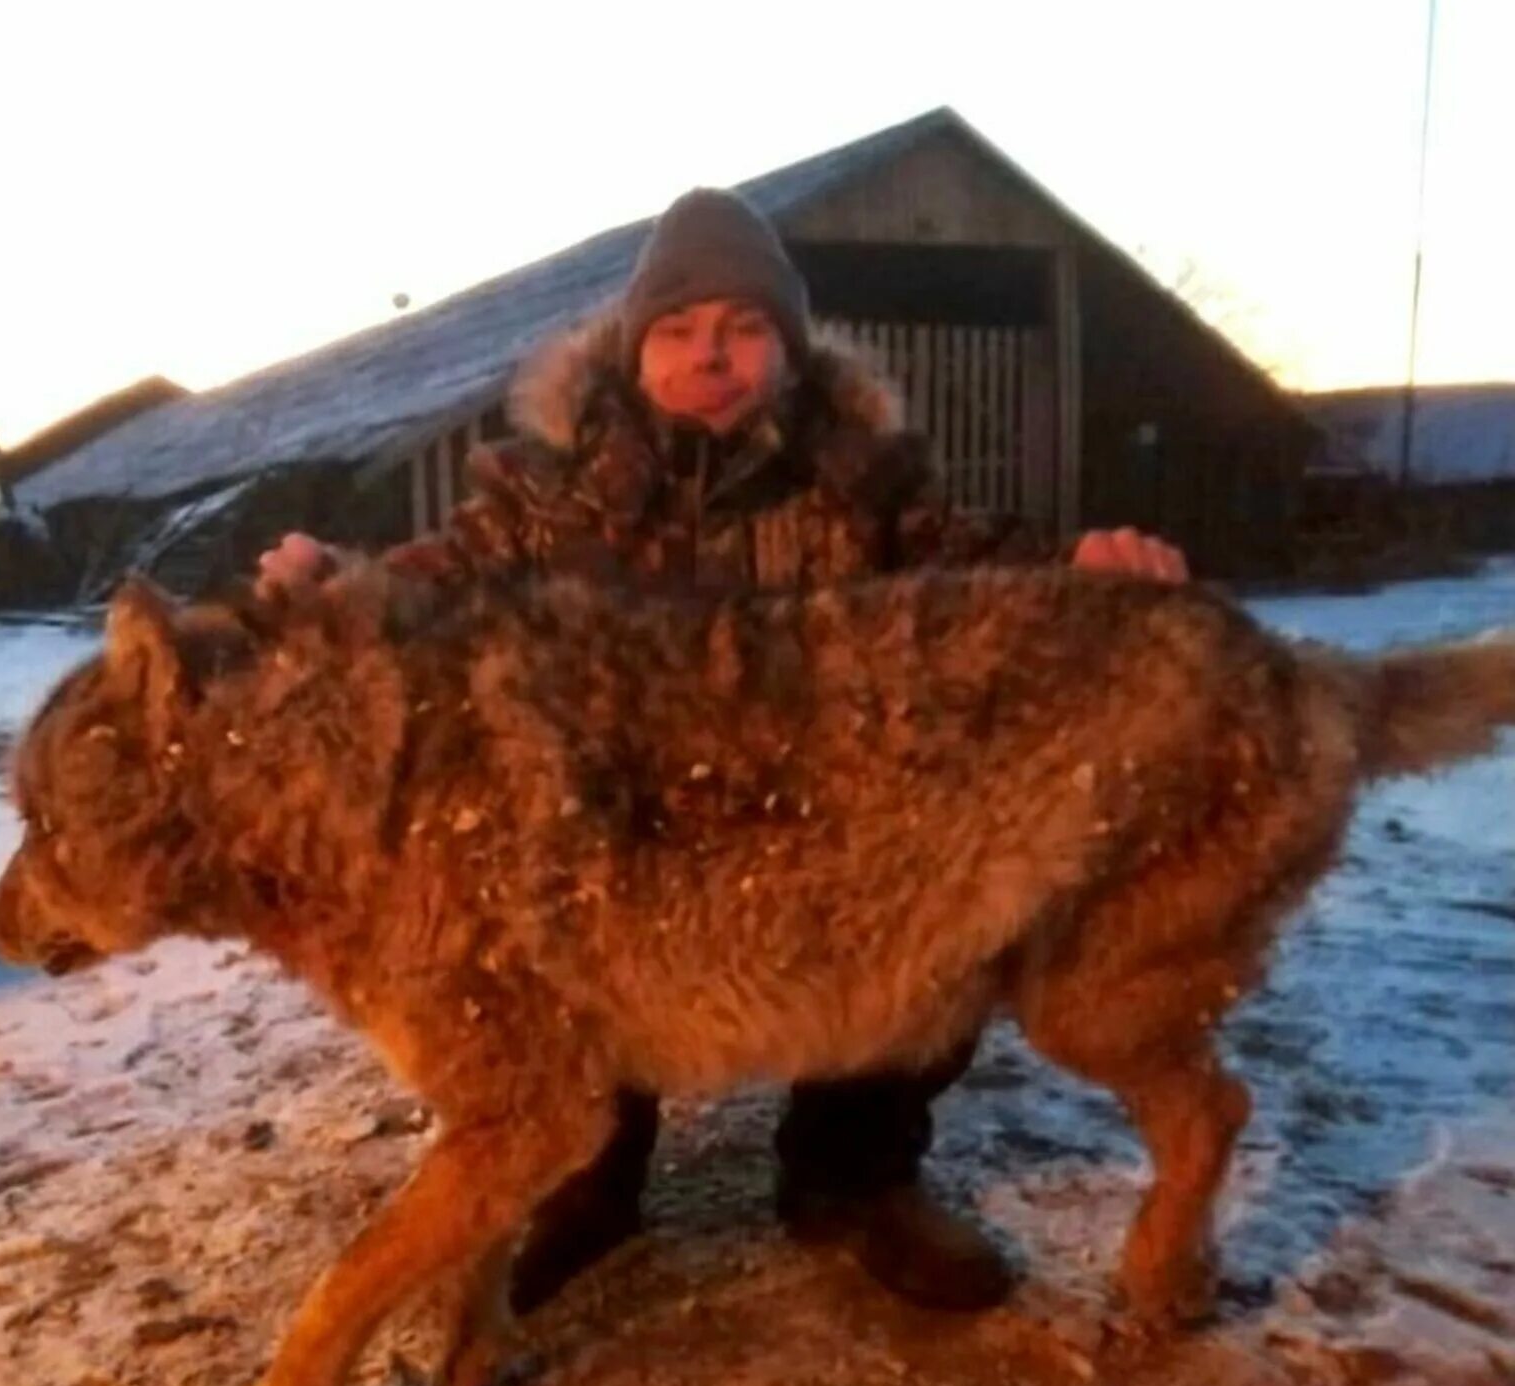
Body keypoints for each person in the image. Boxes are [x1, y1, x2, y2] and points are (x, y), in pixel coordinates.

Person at [257, 187, 1186, 1315]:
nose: (714, 356)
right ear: (637, 351)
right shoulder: (546, 497)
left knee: (935, 903)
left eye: (745, 329)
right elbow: (424, 585)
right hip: (616, 832)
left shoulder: (866, 484)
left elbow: (981, 575)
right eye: (682, 331)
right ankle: (585, 1183)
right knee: (539, 937)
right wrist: (327, 582)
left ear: (788, 353)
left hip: (824, 818)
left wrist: (1081, 569)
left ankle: (853, 1181)